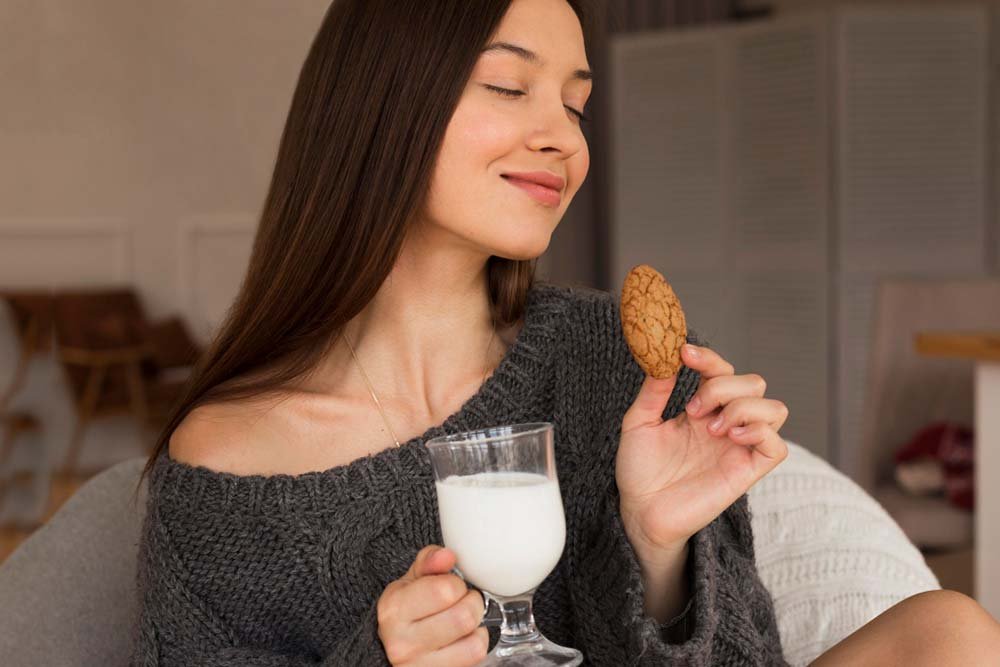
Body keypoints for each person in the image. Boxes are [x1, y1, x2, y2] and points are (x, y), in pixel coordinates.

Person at [129, 1, 1000, 665]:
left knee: (951, 630)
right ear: (380, 104)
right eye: (509, 87)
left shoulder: (620, 363)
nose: (563, 141)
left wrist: (657, 546)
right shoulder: (223, 473)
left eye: (576, 105)